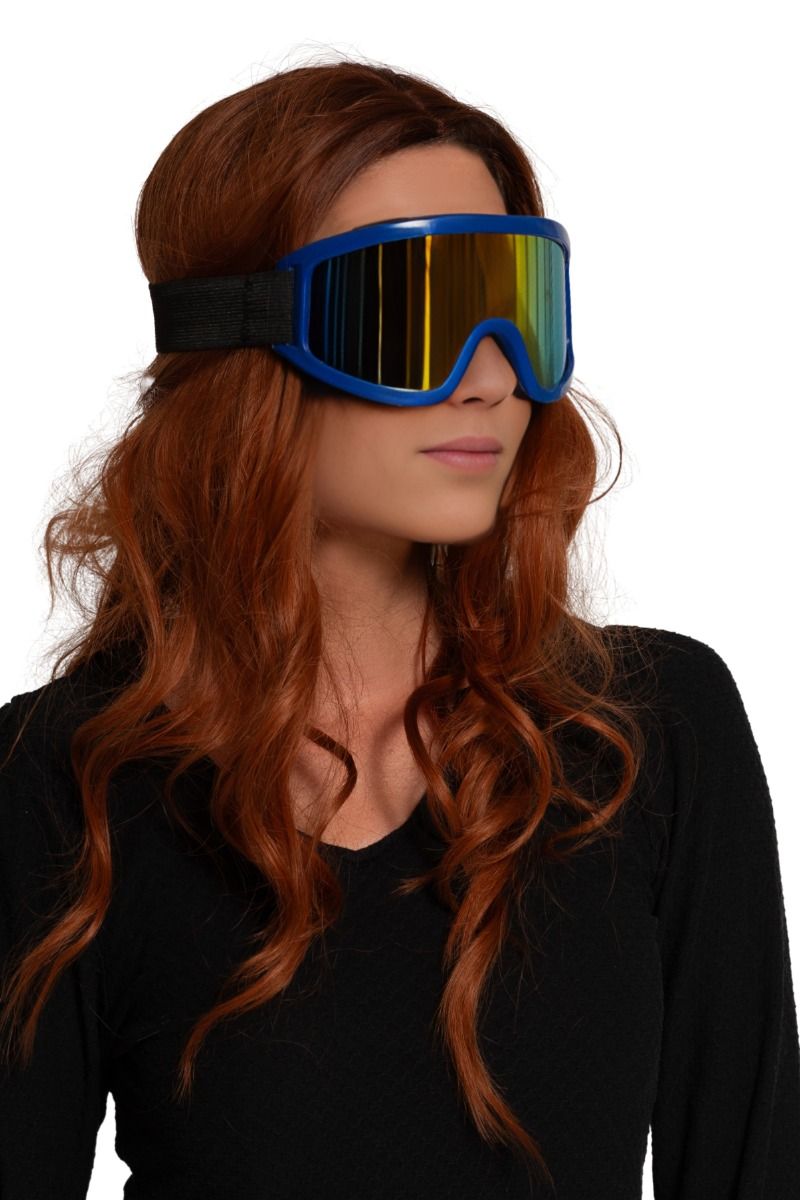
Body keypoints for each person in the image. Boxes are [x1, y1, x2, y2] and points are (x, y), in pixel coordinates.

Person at [1, 56, 798, 1200]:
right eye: (414, 313)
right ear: (242, 340)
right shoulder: (65, 779)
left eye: (517, 307)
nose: (489, 380)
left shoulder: (647, 733)